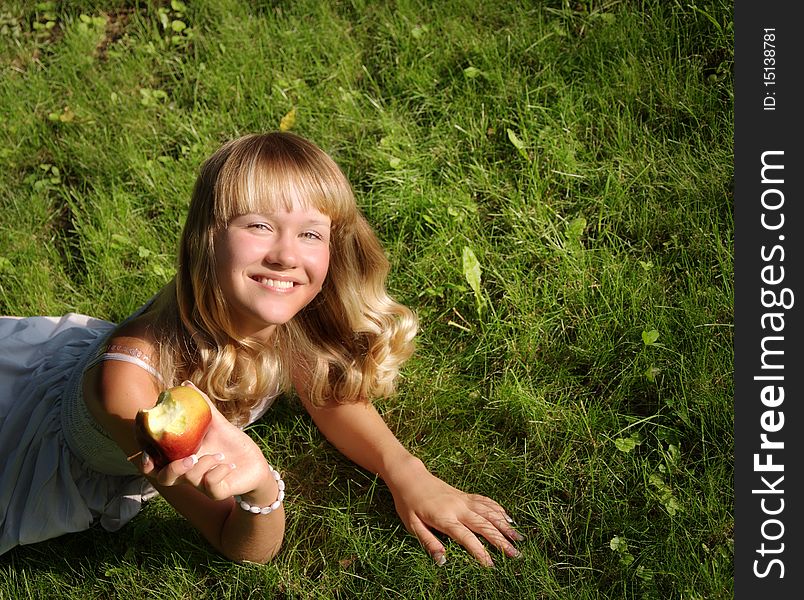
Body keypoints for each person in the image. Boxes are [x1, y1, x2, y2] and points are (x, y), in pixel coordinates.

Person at [0, 132, 522, 566]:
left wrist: (409, 473)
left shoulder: (280, 314)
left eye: (311, 234)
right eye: (258, 225)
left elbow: (330, 397)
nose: (286, 255)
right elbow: (240, 545)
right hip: (26, 438)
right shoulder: (132, 390)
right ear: (208, 238)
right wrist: (261, 487)